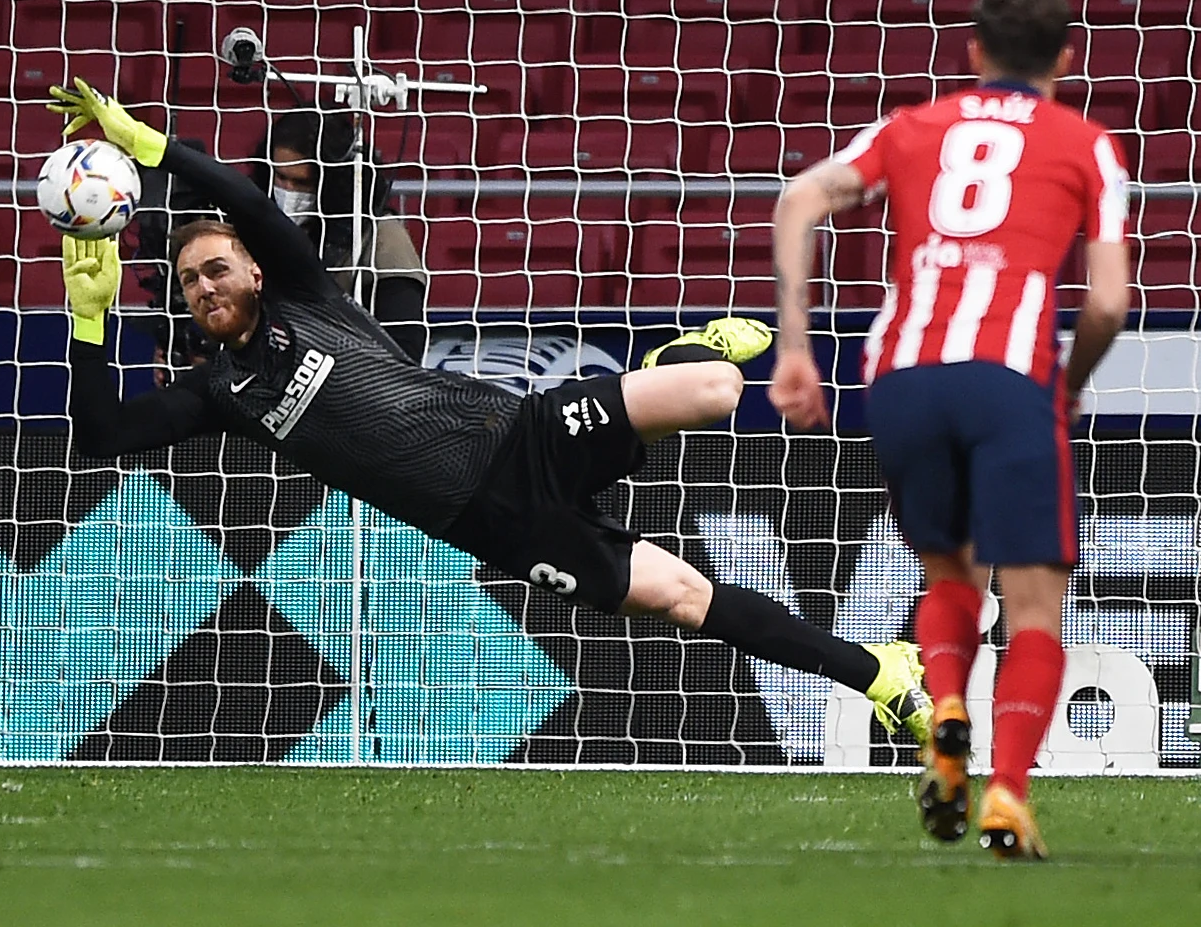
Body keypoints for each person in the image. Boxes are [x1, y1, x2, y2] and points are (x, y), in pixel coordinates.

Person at [47, 77, 933, 749]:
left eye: (219, 269)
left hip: (518, 437)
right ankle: (880, 675)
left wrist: (138, 138)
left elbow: (241, 200)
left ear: (251, 271)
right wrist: (89, 316)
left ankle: (677, 354)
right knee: (681, 595)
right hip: (493, 526)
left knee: (716, 390)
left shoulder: (305, 296)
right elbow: (101, 435)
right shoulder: (219, 394)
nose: (207, 286)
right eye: (192, 279)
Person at [771, 0, 1131, 860]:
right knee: (1033, 607)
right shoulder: (1086, 144)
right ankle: (1006, 791)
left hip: (900, 376)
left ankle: (945, 716)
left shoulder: (912, 127)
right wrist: (1067, 384)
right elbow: (1109, 305)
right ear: (1065, 59)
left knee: (948, 578)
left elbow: (797, 200)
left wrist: (793, 348)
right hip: (1007, 379)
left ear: (971, 53)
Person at [255, 108, 430, 361]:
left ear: (334, 181)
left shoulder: (383, 239)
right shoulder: (257, 230)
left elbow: (406, 350)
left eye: (302, 183)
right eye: (280, 177)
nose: (287, 191)